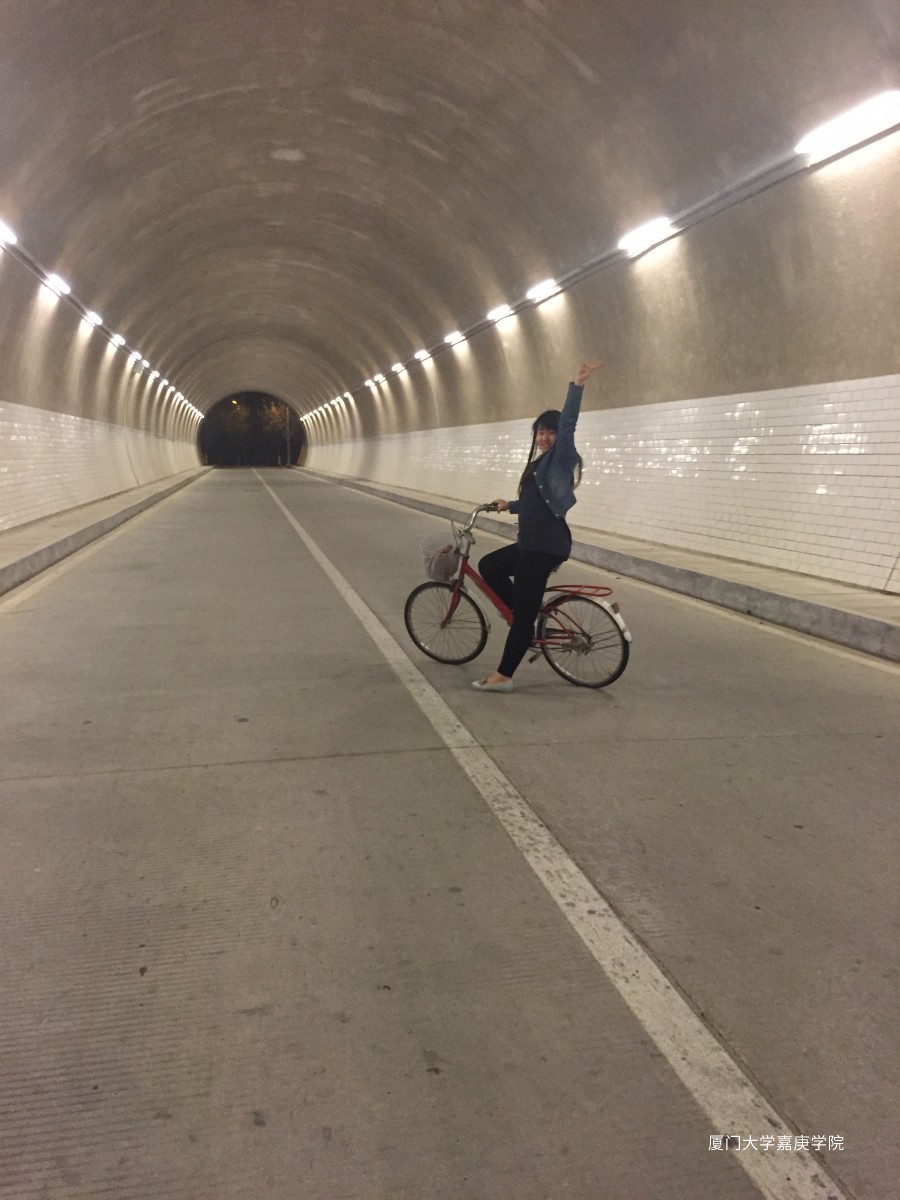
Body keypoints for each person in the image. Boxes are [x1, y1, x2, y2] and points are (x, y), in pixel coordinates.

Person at [472, 360, 603, 692]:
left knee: (523, 616)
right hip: (531, 543)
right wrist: (509, 505)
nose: (544, 438)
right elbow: (535, 501)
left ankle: (504, 675)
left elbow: (569, 423)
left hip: (544, 546)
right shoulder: (540, 463)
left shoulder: (560, 459)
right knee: (489, 566)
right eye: (540, 432)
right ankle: (523, 615)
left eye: (550, 432)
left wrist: (577, 386)